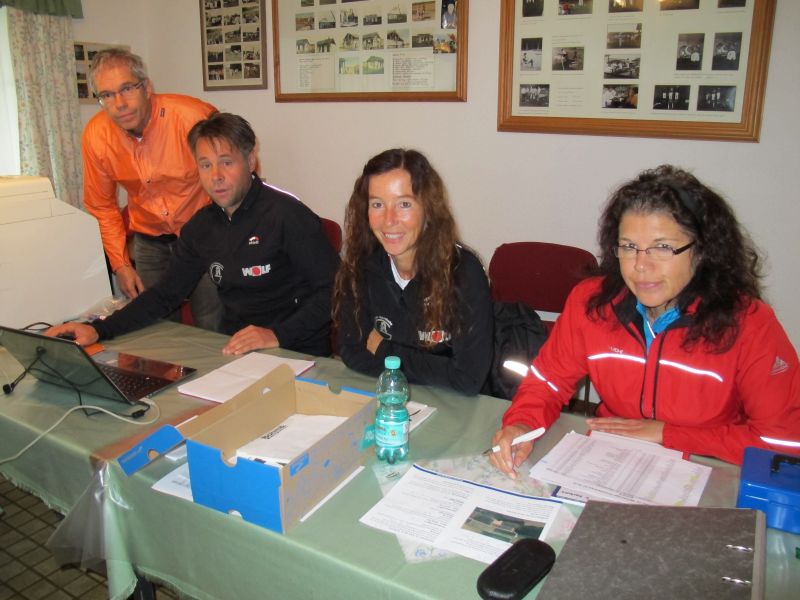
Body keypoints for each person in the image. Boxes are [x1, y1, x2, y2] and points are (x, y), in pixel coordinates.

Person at [489, 165, 800, 474]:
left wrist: (668, 433)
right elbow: (547, 382)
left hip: (711, 465)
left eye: (662, 247)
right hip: (610, 460)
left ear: (702, 251)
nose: (640, 265)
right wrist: (522, 424)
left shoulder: (748, 322)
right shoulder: (592, 303)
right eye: (629, 247)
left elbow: (785, 443)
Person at [49, 113, 339, 357]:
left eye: (226, 162)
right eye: (205, 165)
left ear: (250, 161)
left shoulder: (288, 215)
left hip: (297, 350)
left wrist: (276, 334)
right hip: (239, 351)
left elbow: (337, 291)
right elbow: (165, 294)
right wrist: (98, 329)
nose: (216, 176)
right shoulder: (201, 226)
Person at [83, 48, 223, 331]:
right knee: (155, 328)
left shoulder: (192, 117)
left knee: (213, 325)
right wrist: (121, 265)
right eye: (107, 95)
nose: (119, 103)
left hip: (205, 237)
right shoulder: (97, 136)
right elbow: (102, 206)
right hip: (150, 241)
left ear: (146, 88)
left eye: (127, 89)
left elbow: (233, 177)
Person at [333, 148, 493, 395]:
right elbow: (352, 352)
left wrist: (386, 351)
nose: (389, 219)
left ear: (428, 209)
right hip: (388, 397)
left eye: (404, 204)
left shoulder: (463, 273)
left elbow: (468, 378)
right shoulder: (360, 265)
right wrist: (435, 367)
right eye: (377, 204)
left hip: (454, 404)